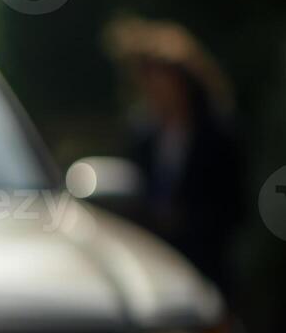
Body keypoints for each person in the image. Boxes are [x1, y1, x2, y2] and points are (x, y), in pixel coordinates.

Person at [104, 15, 246, 297]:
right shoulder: (141, 137)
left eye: (160, 79)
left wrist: (185, 221)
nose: (153, 89)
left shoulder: (219, 135)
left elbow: (235, 206)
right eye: (147, 80)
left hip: (206, 267)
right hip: (152, 267)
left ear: (183, 82)